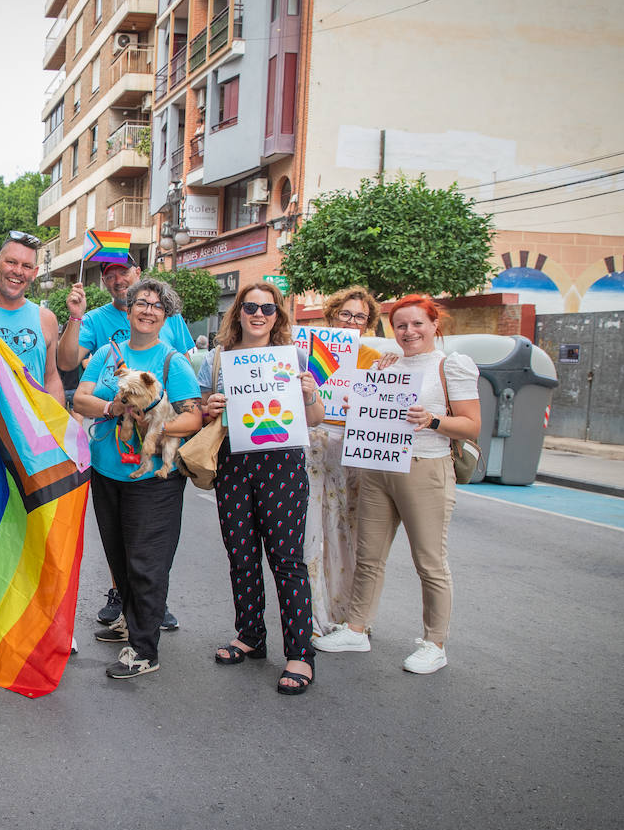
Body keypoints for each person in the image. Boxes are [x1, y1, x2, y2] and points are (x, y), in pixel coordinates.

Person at [314, 295, 480, 675]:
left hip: (425, 466)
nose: (408, 332)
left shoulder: (450, 365)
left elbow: (471, 425)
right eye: (401, 325)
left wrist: (434, 420)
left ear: (435, 324)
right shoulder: (388, 362)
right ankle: (357, 628)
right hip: (378, 465)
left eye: (417, 323)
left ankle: (434, 643)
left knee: (429, 562)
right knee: (369, 556)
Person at [56, 255, 195, 629]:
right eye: (140, 305)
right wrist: (113, 406)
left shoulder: (170, 350)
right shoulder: (104, 343)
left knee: (147, 552)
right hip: (109, 460)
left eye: (155, 307)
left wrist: (159, 425)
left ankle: (147, 615)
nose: (148, 312)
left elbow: (188, 394)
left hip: (154, 463)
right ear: (128, 310)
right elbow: (71, 369)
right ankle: (128, 605)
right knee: (120, 549)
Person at [200, 281, 324, 695]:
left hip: (282, 463)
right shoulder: (217, 361)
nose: (258, 314)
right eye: (250, 306)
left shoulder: (295, 358)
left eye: (267, 309)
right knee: (241, 555)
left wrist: (308, 395)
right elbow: (199, 414)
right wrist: (209, 408)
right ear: (237, 313)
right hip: (234, 464)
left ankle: (299, 654)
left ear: (278, 316)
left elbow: (316, 418)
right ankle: (250, 634)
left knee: (287, 561)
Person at [304, 286, 385, 636]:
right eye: (346, 314)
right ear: (332, 315)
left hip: (351, 451)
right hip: (311, 446)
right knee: (311, 532)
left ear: (368, 324)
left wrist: (386, 376)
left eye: (360, 317)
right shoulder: (304, 352)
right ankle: (314, 614)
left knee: (346, 533)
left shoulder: (372, 358)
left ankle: (347, 613)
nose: (351, 321)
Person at [0, 230, 64, 403]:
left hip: (31, 427)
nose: (18, 271)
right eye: (11, 262)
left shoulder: (46, 319)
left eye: (27, 266)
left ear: (35, 272)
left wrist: (58, 427)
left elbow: (51, 377)